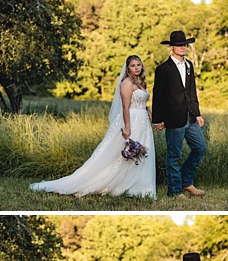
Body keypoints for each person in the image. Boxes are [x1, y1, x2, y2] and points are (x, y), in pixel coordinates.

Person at [30, 55, 156, 198]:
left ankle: (141, 187)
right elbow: (125, 107)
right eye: (133, 65)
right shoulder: (126, 83)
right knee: (124, 154)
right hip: (131, 120)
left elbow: (144, 106)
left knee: (143, 153)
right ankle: (120, 185)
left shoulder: (140, 83)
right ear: (127, 68)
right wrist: (127, 128)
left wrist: (154, 119)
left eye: (138, 65)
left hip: (143, 123)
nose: (136, 68)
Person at [152, 30, 207, 199]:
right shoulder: (163, 69)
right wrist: (157, 119)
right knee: (173, 156)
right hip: (173, 118)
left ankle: (186, 182)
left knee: (200, 148)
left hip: (190, 117)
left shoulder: (189, 65)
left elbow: (191, 91)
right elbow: (158, 95)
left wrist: (197, 113)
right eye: (179, 45)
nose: (182, 47)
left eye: (184, 44)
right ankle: (175, 191)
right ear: (171, 47)